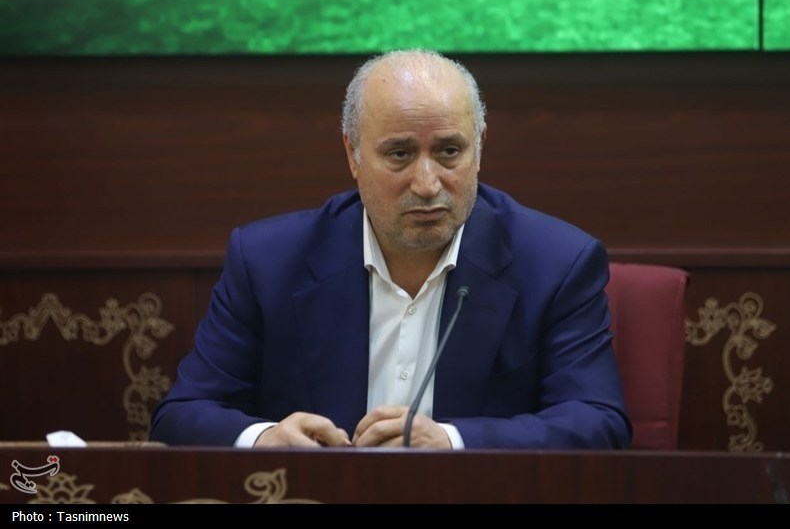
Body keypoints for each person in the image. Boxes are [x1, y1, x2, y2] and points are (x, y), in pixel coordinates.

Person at [150, 49, 632, 450]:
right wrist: (263, 438)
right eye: (400, 154)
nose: (427, 184)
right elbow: (182, 416)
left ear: (480, 148)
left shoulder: (556, 263)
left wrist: (452, 441)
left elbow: (599, 423)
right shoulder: (267, 261)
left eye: (449, 152)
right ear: (353, 155)